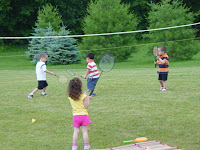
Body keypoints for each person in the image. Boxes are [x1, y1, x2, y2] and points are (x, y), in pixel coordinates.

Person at [68, 78, 92, 150]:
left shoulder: (70, 96)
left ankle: (74, 146)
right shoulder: (83, 96)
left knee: (76, 131)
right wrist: (87, 98)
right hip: (84, 115)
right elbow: (86, 106)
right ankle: (86, 146)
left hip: (76, 116)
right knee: (84, 131)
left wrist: (86, 97)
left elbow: (77, 99)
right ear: (80, 86)